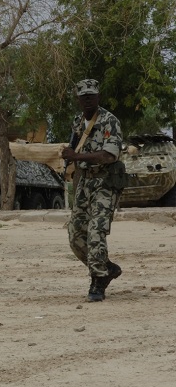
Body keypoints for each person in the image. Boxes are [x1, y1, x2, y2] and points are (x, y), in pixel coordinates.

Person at [61, 79, 124, 303]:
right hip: (85, 183)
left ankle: (98, 280)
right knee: (75, 235)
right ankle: (106, 268)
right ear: (78, 99)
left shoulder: (109, 121)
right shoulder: (78, 122)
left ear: (98, 96)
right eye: (83, 96)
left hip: (105, 183)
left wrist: (75, 156)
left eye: (92, 95)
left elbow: (109, 155)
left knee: (96, 232)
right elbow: (75, 150)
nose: (88, 99)